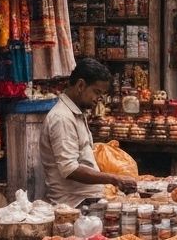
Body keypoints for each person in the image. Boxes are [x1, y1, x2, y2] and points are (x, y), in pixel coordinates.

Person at [39, 58, 137, 205]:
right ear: (80, 85)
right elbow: (69, 169)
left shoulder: (76, 114)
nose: (99, 99)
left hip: (88, 199)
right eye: (97, 92)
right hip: (74, 204)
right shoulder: (62, 118)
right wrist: (114, 179)